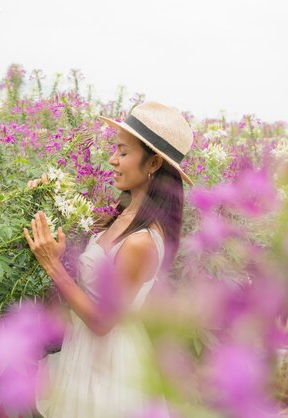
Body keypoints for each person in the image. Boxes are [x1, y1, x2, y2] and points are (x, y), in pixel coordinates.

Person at [23, 101, 195, 418]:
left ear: (154, 163)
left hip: (111, 365)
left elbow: (103, 322)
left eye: (124, 152)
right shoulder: (124, 215)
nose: (113, 160)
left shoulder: (141, 241)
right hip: (87, 353)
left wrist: (52, 266)